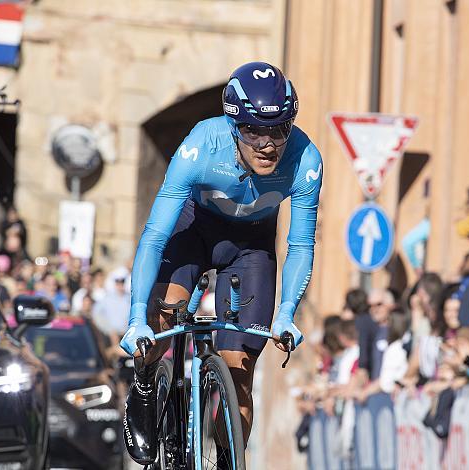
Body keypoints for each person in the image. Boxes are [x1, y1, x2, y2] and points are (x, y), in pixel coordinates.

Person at [119, 62, 323, 465]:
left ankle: (228, 458)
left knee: (239, 374)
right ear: (233, 126)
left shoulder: (306, 160)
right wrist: (136, 316)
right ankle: (145, 381)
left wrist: (286, 313)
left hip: (251, 248)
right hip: (192, 230)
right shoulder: (201, 146)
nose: (269, 144)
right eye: (254, 131)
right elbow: (156, 235)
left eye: (280, 129)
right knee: (163, 317)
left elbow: (299, 244)